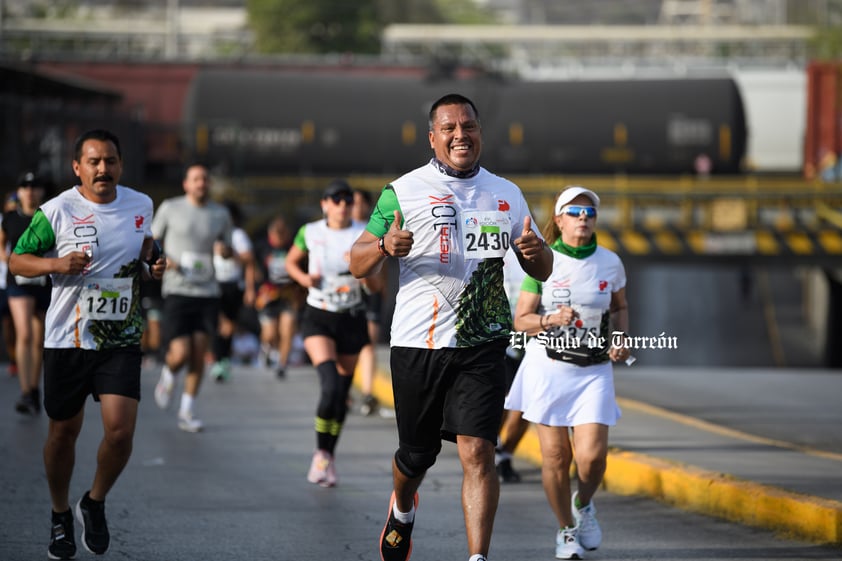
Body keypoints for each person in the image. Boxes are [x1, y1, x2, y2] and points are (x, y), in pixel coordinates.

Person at [349, 93, 553, 561]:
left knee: (478, 451)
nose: (461, 135)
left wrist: (533, 252)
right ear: (433, 137)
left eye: (469, 127)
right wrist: (384, 245)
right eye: (450, 128)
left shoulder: (506, 193)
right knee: (416, 456)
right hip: (418, 343)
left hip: (483, 342)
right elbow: (357, 262)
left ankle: (478, 557)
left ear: (480, 132)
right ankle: (402, 507)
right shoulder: (401, 192)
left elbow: (543, 266)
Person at [9, 129, 165, 559]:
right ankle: (60, 513)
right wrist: (56, 263)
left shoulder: (140, 204)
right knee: (64, 434)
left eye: (110, 161)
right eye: (94, 161)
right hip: (67, 338)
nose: (103, 169)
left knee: (120, 432)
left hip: (120, 337)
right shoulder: (56, 211)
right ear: (77, 167)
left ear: (120, 165)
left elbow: (145, 248)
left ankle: (93, 502)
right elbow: (17, 260)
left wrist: (154, 264)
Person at [504, 185, 631, 560]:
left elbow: (620, 306)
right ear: (558, 220)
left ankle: (584, 503)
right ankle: (565, 530)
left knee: (592, 459)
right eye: (574, 213)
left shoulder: (611, 262)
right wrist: (549, 319)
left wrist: (620, 337)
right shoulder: (543, 262)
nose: (583, 219)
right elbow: (521, 319)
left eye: (589, 213)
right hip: (550, 367)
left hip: (594, 369)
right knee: (556, 458)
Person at [286, 179, 376, 487]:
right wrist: (303, 278)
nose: (342, 205)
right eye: (336, 200)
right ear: (324, 204)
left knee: (340, 394)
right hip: (319, 316)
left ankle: (328, 457)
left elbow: (376, 286)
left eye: (347, 200)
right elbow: (291, 262)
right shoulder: (310, 231)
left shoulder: (364, 234)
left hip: (351, 318)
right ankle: (320, 455)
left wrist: (362, 273)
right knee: (330, 384)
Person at [152, 163, 233, 432]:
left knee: (199, 352)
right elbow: (151, 241)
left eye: (205, 179)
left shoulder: (220, 213)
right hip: (177, 290)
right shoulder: (170, 208)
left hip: (207, 291)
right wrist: (164, 259)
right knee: (181, 353)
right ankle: (169, 373)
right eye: (196, 179)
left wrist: (224, 251)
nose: (201, 183)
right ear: (186, 184)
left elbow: (228, 247)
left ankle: (187, 410)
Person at [0, 171, 51, 414]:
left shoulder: (49, 215)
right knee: (25, 334)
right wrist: (9, 259)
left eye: (35, 186)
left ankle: (34, 386)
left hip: (43, 281)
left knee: (39, 339)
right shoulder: (10, 218)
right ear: (19, 192)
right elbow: (1, 243)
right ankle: (25, 391)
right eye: (25, 187)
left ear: (41, 191)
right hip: (18, 281)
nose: (30, 191)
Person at [210, 200, 256, 382]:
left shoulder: (238, 235)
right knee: (215, 322)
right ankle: (217, 359)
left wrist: (250, 289)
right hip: (213, 283)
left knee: (229, 325)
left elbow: (249, 262)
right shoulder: (212, 233)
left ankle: (224, 359)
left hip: (232, 285)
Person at [253, 215, 303, 378]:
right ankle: (267, 348)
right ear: (270, 234)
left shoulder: (294, 247)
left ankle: (282, 363)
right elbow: (254, 270)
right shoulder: (262, 248)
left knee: (287, 328)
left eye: (283, 234)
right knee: (270, 334)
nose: (279, 238)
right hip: (268, 295)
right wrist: (255, 291)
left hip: (288, 295)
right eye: (276, 234)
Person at [352, 188, 385, 416]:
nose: (355, 207)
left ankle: (366, 392)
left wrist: (381, 291)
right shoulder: (337, 230)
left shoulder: (375, 228)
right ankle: (342, 389)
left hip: (370, 293)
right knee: (345, 344)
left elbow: (382, 267)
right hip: (345, 296)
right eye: (351, 202)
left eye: (360, 203)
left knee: (368, 343)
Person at [1, 191, 19, 377]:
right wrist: (7, 258)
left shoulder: (25, 220)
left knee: (22, 323)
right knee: (7, 324)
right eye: (11, 203)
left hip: (19, 280)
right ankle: (14, 358)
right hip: (2, 282)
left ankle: (24, 356)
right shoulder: (2, 221)